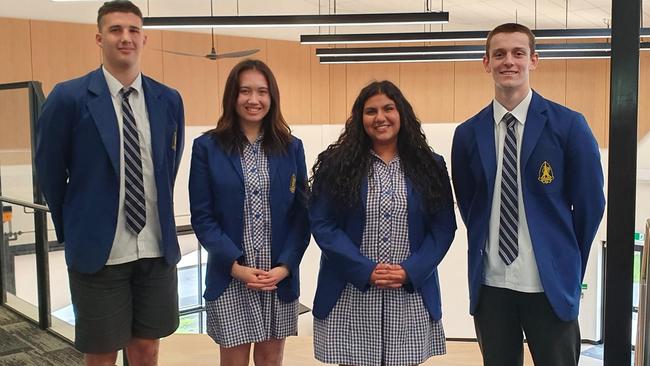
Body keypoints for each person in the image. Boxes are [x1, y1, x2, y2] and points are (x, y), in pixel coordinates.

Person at [34, 1, 184, 365]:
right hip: (100, 253)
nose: (126, 38)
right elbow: (50, 172)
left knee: (147, 349)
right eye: (116, 30)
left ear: (144, 38)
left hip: (155, 249)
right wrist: (74, 230)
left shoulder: (168, 99)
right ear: (99, 38)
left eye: (133, 30)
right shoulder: (68, 97)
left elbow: (168, 166)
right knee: (101, 354)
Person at [451, 23, 606, 366]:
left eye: (518, 53)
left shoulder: (569, 126)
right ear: (486, 63)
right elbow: (470, 205)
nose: (509, 61)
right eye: (499, 54)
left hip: (547, 285)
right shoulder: (467, 134)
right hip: (492, 285)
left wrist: (563, 261)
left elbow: (590, 205)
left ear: (533, 60)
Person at [309, 80, 456, 366]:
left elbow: (442, 227)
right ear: (359, 118)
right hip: (350, 294)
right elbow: (322, 224)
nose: (380, 118)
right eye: (370, 111)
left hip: (409, 294)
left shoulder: (430, 165)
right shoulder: (336, 164)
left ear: (401, 113)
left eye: (388, 108)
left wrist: (409, 271)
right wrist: (366, 270)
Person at [189, 59, 310, 366]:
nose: (253, 100)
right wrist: (235, 266)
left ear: (272, 98)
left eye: (262, 92)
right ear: (233, 96)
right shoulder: (207, 147)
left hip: (276, 276)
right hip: (231, 274)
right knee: (234, 360)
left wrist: (285, 266)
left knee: (271, 359)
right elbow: (202, 217)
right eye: (245, 91)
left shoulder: (291, 147)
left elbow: (301, 214)